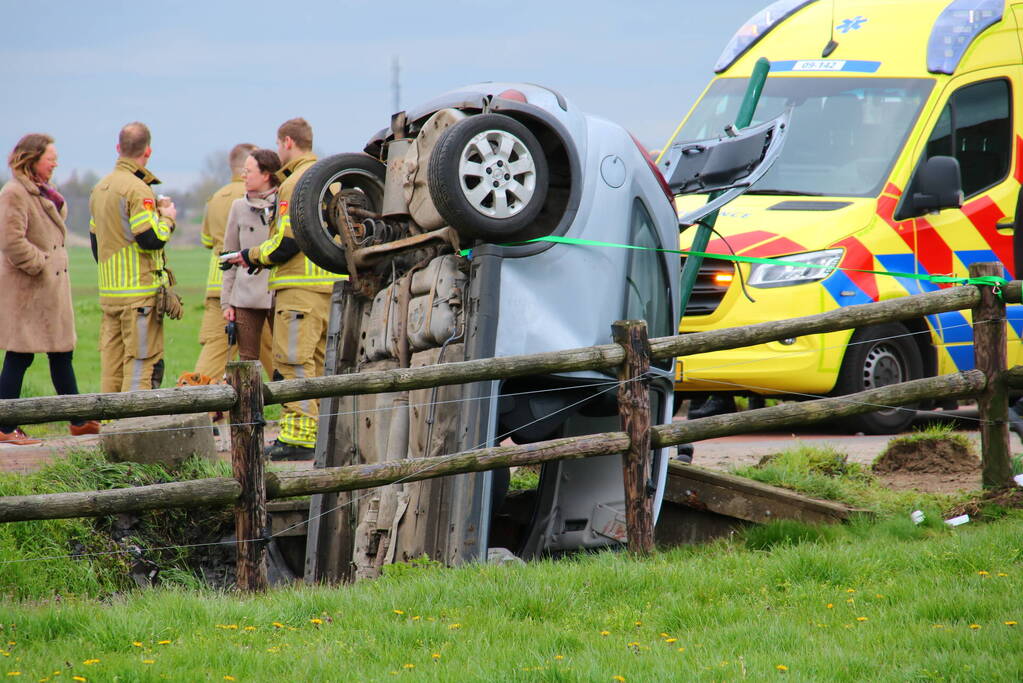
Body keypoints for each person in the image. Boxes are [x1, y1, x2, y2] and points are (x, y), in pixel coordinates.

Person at [228, 118, 342, 460]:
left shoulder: (295, 184)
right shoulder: (330, 178)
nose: (279, 152)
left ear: (288, 142)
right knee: (317, 365)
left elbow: (287, 240)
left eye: (279, 145)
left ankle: (299, 439)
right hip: (326, 286)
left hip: (298, 288)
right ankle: (316, 434)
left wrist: (250, 255)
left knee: (293, 362)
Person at [0, 134, 100, 445]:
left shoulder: (43, 193)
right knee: (19, 355)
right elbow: (11, 240)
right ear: (31, 159)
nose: (55, 163)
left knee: (61, 352)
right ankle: (4, 427)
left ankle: (79, 420)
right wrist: (40, 263)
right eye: (49, 158)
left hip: (48, 290)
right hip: (28, 290)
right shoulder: (14, 193)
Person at [89, 122, 176, 393]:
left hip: (109, 292)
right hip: (138, 295)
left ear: (118, 148)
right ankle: (134, 429)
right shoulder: (137, 189)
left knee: (111, 364)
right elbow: (149, 239)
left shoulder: (100, 188)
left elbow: (96, 243)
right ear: (147, 151)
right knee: (141, 362)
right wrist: (168, 220)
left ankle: (111, 427)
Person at [193, 143, 254, 380]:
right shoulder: (252, 196)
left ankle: (197, 403)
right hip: (247, 285)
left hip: (217, 285)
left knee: (213, 354)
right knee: (278, 356)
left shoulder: (215, 198)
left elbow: (206, 239)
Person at [220, 149, 279, 364]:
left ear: (266, 175)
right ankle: (248, 398)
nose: (243, 175)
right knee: (246, 361)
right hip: (245, 296)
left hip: (277, 293)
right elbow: (229, 258)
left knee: (285, 359)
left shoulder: (284, 204)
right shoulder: (238, 207)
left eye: (249, 171)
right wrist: (226, 303)